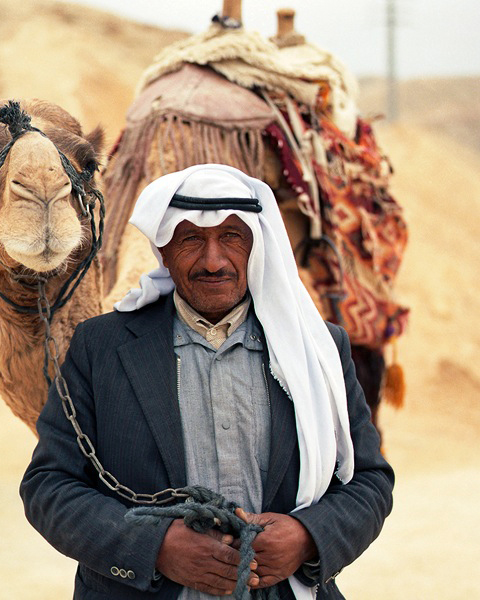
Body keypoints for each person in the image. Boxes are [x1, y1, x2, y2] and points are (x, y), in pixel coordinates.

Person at [20, 164, 394, 600]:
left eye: (231, 237)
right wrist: (154, 548)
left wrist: (306, 537)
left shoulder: (318, 348)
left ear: (256, 245)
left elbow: (370, 481)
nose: (213, 261)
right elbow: (49, 486)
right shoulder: (100, 347)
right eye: (192, 239)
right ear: (163, 251)